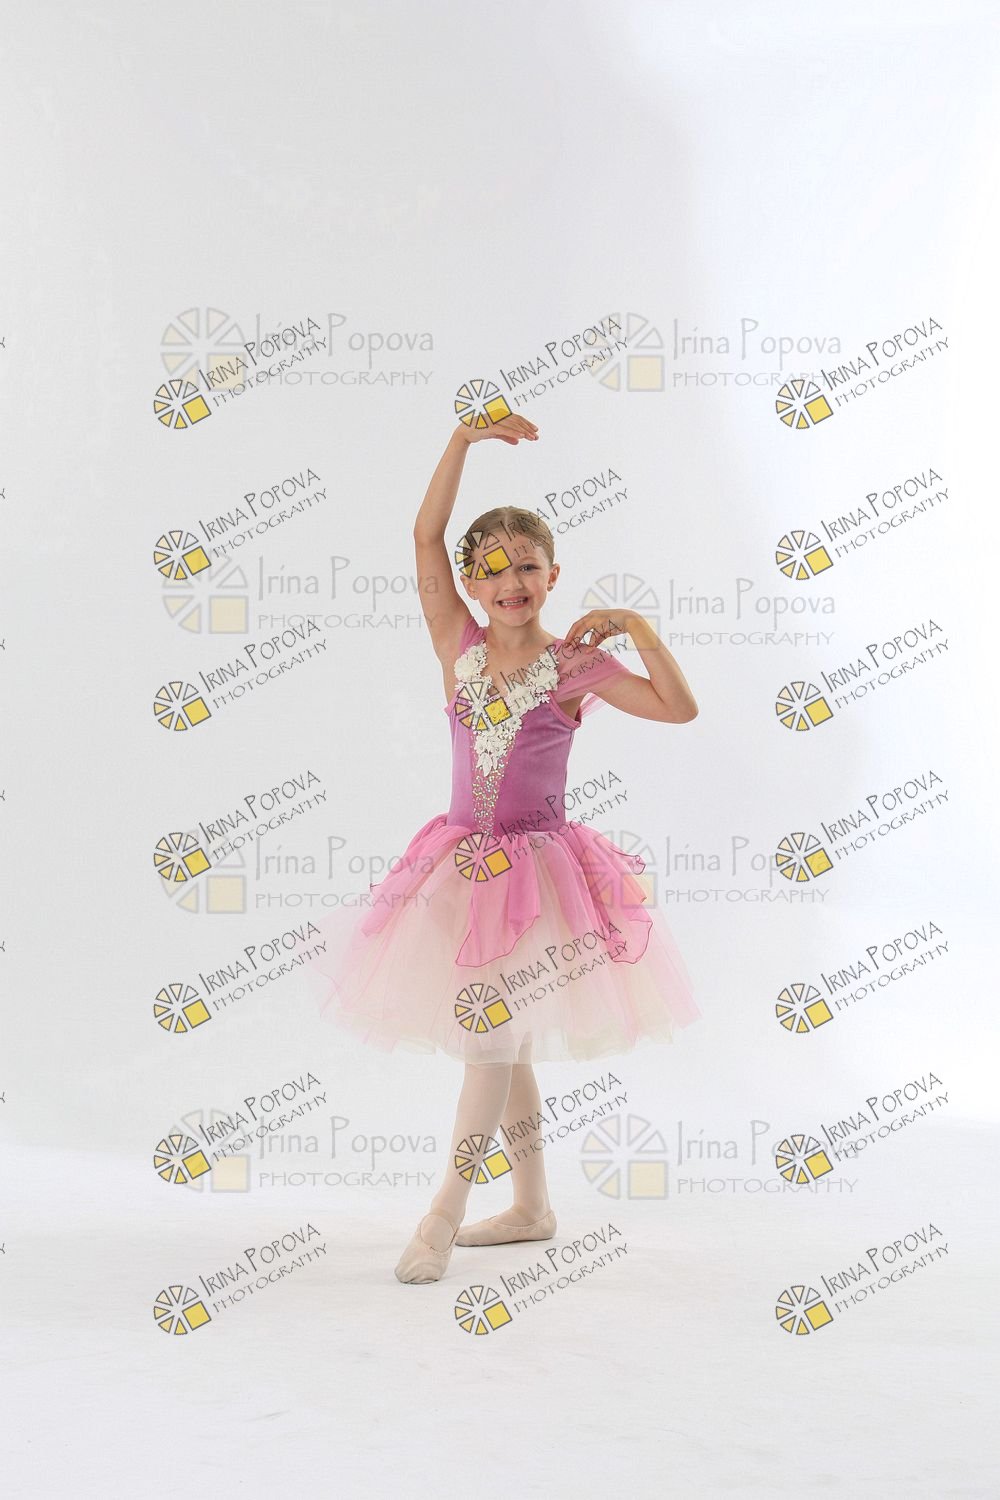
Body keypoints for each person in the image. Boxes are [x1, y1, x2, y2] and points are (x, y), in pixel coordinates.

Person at [308, 414, 701, 1284]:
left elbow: (679, 709)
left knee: (490, 1037)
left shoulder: (574, 666)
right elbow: (424, 535)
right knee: (503, 1041)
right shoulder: (458, 643)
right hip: (459, 868)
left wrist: (637, 625)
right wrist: (461, 440)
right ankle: (531, 1207)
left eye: (526, 566)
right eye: (490, 569)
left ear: (552, 575)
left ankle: (442, 1214)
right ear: (471, 585)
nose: (509, 581)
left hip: (538, 878)